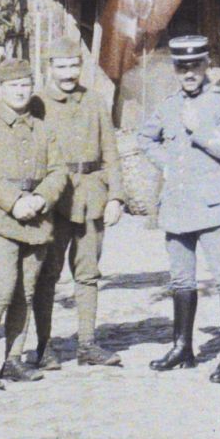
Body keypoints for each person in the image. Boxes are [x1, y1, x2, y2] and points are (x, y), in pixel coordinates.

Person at [137, 35, 220, 377]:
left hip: (214, 205)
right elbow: (145, 138)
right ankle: (182, 346)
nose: (189, 73)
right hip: (178, 206)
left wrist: (198, 128)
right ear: (175, 69)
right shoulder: (167, 105)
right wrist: (165, 164)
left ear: (206, 65)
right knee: (181, 279)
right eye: (182, 67)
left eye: (195, 66)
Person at [0, 58, 67, 389]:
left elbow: (58, 170)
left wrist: (40, 199)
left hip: (36, 217)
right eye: (12, 86)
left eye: (25, 85)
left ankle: (13, 360)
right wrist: (13, 201)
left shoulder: (43, 128)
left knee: (26, 289)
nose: (20, 92)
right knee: (3, 286)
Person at [38, 51, 126, 368]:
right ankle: (43, 346)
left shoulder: (95, 101)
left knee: (88, 274)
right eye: (61, 65)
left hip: (92, 195)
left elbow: (110, 152)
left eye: (73, 66)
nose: (68, 73)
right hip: (55, 199)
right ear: (50, 67)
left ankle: (87, 344)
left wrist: (116, 196)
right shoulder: (37, 104)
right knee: (48, 274)